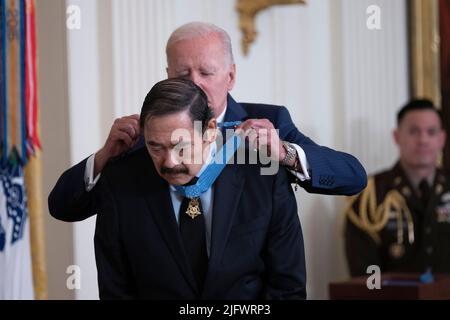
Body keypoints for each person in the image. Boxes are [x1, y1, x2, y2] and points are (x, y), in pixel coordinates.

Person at [48, 21, 367, 222]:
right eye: (183, 74)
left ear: (230, 76)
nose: (194, 83)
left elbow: (353, 178)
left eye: (206, 72)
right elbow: (62, 208)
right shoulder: (147, 135)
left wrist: (284, 153)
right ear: (168, 76)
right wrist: (104, 156)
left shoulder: (269, 121)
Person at [94, 78, 306, 299]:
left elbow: (288, 288)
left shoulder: (263, 176)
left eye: (181, 146)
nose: (169, 162)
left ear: (210, 130)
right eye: (155, 147)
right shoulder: (119, 183)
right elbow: (115, 292)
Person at [344, 99, 450, 277]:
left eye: (431, 132)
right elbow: (367, 277)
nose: (423, 140)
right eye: (414, 131)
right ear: (397, 136)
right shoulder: (371, 195)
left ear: (442, 139)